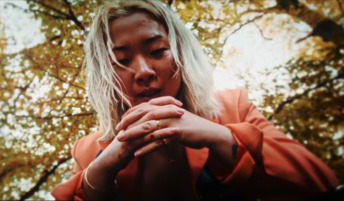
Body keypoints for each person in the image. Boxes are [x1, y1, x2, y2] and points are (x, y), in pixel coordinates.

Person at [51, 1, 339, 200]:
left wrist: (220, 137)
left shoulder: (233, 107)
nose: (143, 72)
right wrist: (101, 170)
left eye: (157, 51)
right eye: (121, 60)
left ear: (180, 53)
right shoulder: (89, 150)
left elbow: (318, 184)